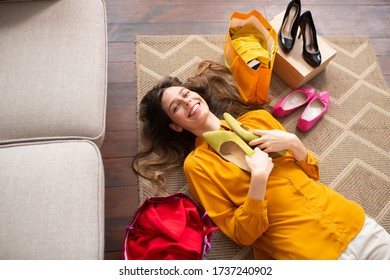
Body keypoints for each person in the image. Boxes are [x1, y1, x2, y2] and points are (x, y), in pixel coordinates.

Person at [133, 60, 390, 260]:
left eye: (185, 94)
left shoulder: (258, 120)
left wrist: (294, 143)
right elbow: (240, 234)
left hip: (352, 222)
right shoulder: (198, 165)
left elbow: (312, 175)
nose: (187, 102)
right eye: (176, 107)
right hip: (308, 254)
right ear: (175, 126)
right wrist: (257, 181)